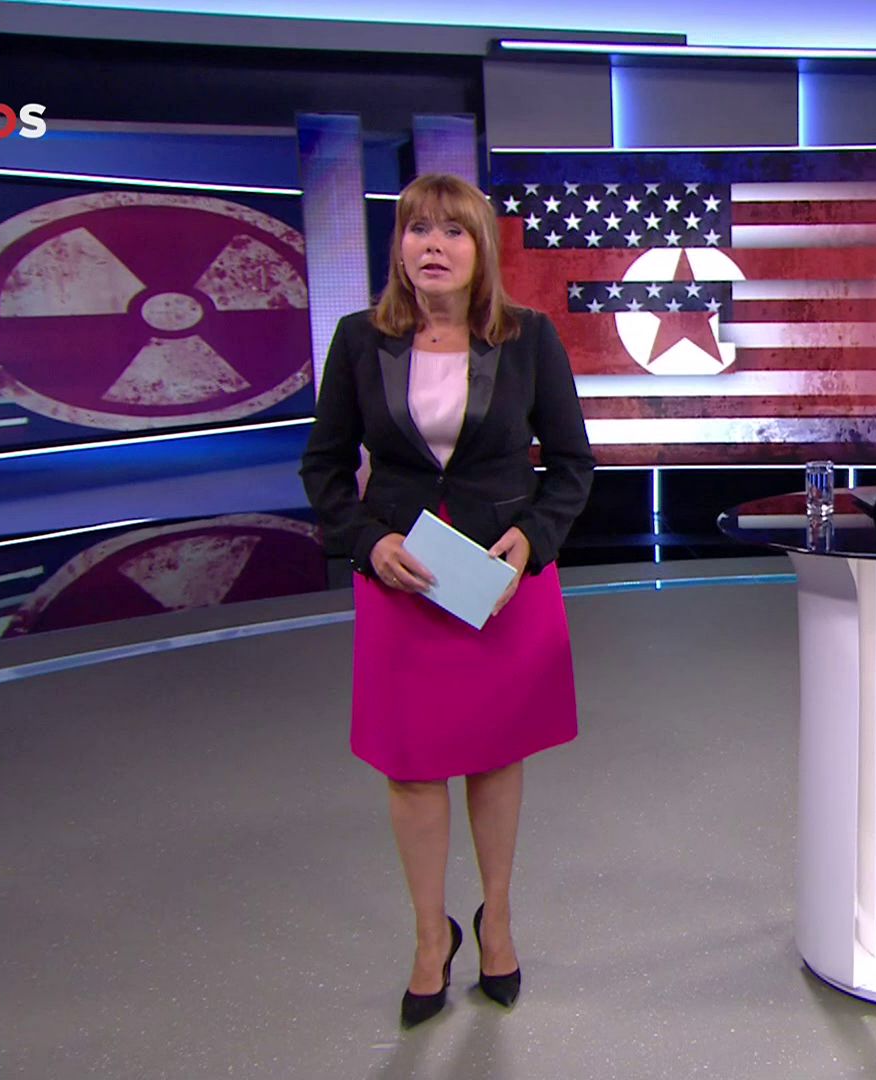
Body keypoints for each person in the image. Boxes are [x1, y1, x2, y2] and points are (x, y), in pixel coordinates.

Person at [299, 173, 595, 1029]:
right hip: (404, 583)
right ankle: (432, 936)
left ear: (482, 249)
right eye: (418, 229)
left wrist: (532, 539)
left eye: (454, 231)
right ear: (398, 247)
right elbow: (324, 466)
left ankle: (495, 919)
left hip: (501, 583)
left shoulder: (529, 338)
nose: (434, 244)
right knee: (413, 766)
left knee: (497, 756)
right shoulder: (359, 340)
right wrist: (368, 541)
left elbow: (572, 465)